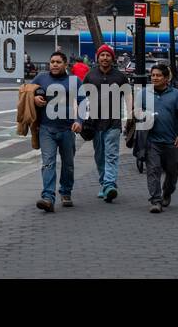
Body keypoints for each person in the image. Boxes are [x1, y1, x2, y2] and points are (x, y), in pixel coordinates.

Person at [29, 50, 84, 212]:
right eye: (52, 62)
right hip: (46, 129)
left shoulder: (75, 81)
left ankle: (66, 192)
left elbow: (82, 102)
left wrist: (79, 121)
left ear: (65, 64)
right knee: (48, 163)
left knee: (68, 165)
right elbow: (26, 92)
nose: (54, 64)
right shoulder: (41, 78)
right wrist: (34, 98)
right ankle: (48, 197)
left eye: (58, 62)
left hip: (68, 129)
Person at [84, 44, 130, 203]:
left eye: (108, 55)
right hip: (95, 124)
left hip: (113, 123)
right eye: (102, 55)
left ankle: (110, 185)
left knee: (111, 155)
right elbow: (82, 99)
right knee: (99, 156)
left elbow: (129, 98)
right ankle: (105, 184)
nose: (105, 58)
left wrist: (131, 118)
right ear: (98, 57)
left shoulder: (121, 77)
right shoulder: (90, 76)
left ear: (112, 58)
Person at [138, 63, 178, 213]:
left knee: (172, 172)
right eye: (153, 75)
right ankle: (156, 200)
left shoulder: (176, 94)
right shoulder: (144, 93)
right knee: (153, 170)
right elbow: (136, 113)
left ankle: (167, 193)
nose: (155, 78)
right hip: (152, 140)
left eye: (158, 75)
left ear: (166, 78)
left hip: (171, 141)